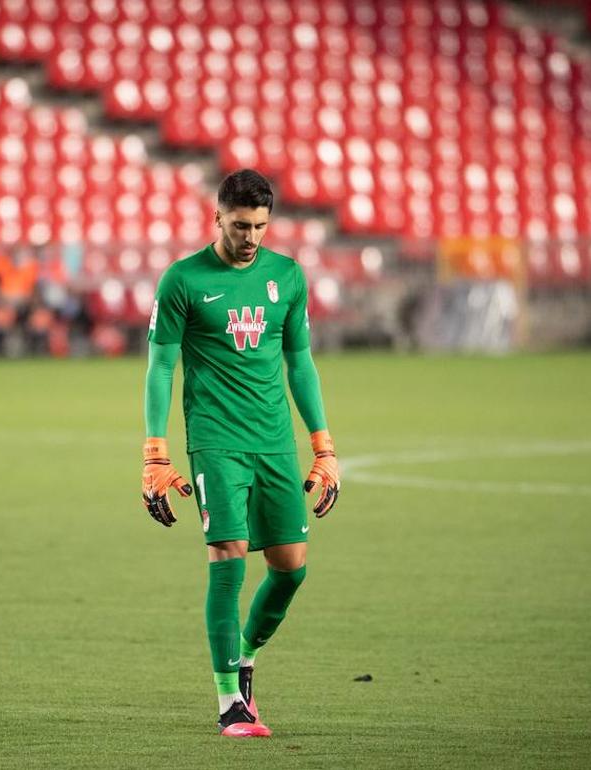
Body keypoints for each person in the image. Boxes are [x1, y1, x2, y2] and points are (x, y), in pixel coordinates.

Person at [140, 169, 341, 738]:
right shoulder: (183, 280)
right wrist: (155, 452)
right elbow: (161, 365)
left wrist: (323, 444)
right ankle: (230, 702)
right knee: (227, 556)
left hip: (274, 441)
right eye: (239, 225)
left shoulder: (287, 276)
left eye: (259, 226)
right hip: (215, 441)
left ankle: (246, 656)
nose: (250, 237)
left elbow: (300, 363)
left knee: (291, 569)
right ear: (217, 218)